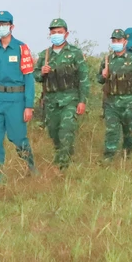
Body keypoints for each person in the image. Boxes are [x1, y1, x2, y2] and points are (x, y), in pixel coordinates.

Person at [0, 10, 37, 182]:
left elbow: (29, 78)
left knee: (18, 138)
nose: (1, 27)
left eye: (4, 24)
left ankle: (31, 167)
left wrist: (28, 105)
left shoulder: (22, 49)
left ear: (12, 26)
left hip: (16, 100)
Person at [34, 18, 90, 170]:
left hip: (69, 99)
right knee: (53, 133)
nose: (56, 35)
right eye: (53, 32)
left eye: (59, 32)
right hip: (51, 100)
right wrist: (42, 72)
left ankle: (63, 166)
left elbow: (83, 78)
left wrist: (82, 100)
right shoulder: (45, 55)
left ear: (66, 34)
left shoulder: (75, 53)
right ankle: (62, 156)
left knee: (66, 130)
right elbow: (35, 76)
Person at [98, 28, 132, 160]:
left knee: (129, 132)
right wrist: (103, 75)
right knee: (111, 132)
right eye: (114, 40)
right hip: (111, 103)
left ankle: (129, 156)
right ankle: (108, 158)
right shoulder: (107, 60)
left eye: (119, 40)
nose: (116, 43)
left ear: (125, 41)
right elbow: (99, 79)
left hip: (129, 102)